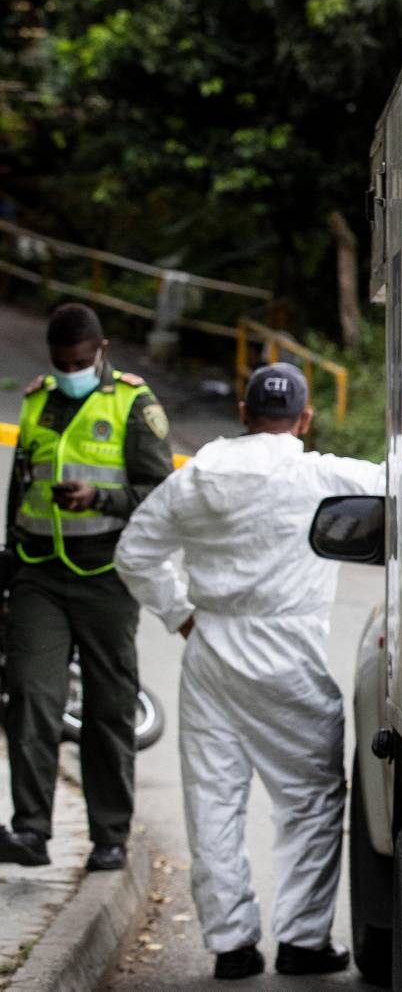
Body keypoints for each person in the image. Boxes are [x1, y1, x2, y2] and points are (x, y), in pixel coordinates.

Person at [114, 362, 384, 980]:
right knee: (311, 800)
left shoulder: (200, 473)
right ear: (306, 419)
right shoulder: (320, 473)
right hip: (287, 649)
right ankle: (303, 941)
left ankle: (232, 945)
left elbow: (135, 552)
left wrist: (180, 613)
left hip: (211, 648)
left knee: (213, 799)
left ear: (242, 413)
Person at [0, 302, 173, 871]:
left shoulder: (132, 403)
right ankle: (29, 830)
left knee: (108, 708)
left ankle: (110, 837)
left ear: (100, 351)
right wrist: (9, 560)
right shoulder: (37, 400)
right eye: (59, 361)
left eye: (78, 360)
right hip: (39, 572)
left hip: (105, 577)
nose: (68, 369)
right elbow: (20, 483)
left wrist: (100, 499)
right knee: (29, 693)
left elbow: (158, 496)